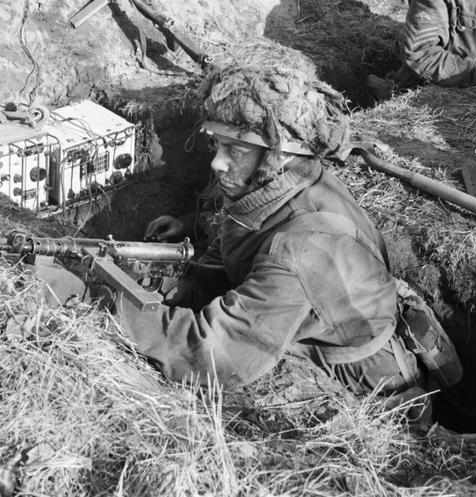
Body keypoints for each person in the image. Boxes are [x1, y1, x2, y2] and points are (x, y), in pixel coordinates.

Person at [111, 62, 428, 401]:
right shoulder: (294, 182)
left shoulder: (300, 250)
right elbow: (248, 242)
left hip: (365, 381)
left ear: (278, 158)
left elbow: (211, 356)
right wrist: (192, 289)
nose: (217, 162)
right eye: (218, 145)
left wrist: (112, 305)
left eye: (234, 150)